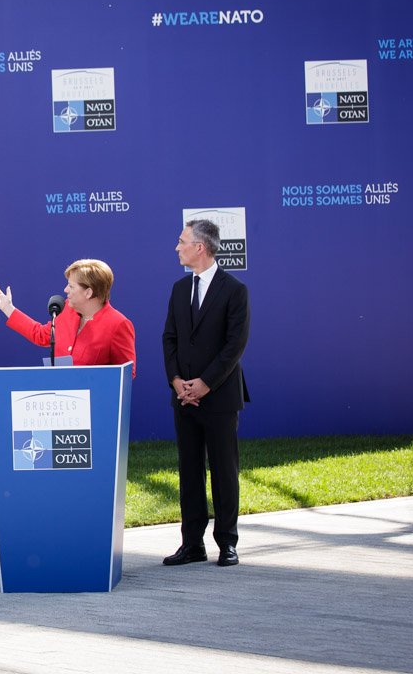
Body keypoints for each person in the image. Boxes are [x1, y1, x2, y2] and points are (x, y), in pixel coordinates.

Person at [162, 219, 250, 568]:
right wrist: (176, 381)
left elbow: (235, 345)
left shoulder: (234, 289)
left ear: (201, 247)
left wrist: (205, 383)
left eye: (182, 241)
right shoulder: (179, 289)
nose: (177, 247)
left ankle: (227, 542)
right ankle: (192, 544)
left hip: (219, 396)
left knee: (224, 470)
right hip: (183, 397)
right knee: (189, 470)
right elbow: (169, 338)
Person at [0, 258, 135, 377]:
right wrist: (8, 308)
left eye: (71, 286)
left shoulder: (118, 324)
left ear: (88, 293)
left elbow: (126, 375)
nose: (65, 290)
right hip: (61, 404)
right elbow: (41, 335)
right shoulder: (65, 310)